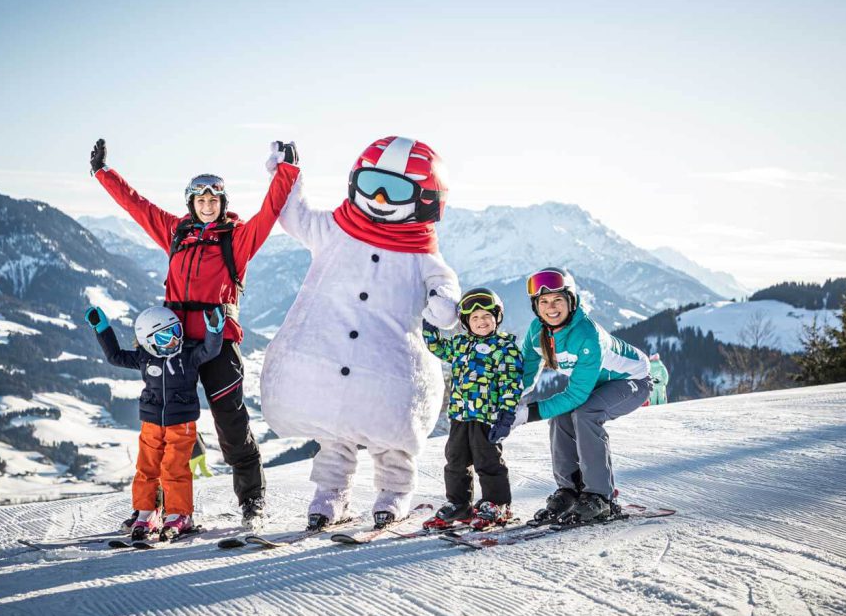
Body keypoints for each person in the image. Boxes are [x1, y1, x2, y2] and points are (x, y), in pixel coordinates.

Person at [90, 138, 299, 530]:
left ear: (221, 204)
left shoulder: (234, 241)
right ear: (191, 203)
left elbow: (268, 214)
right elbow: (137, 206)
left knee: (231, 425)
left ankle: (252, 501)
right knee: (165, 432)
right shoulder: (176, 233)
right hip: (172, 347)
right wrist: (104, 174)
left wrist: (287, 171)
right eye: (200, 200)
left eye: (213, 201)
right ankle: (156, 510)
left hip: (218, 345)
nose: (207, 206)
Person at [259, 138, 461, 529]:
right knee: (334, 436)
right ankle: (330, 495)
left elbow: (445, 290)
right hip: (336, 360)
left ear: (425, 197)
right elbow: (293, 215)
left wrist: (443, 301)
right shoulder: (335, 230)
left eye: (398, 190)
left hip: (391, 369)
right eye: (372, 185)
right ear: (355, 182)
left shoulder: (422, 255)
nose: (382, 198)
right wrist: (286, 175)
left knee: (392, 439)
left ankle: (394, 492)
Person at [511, 267, 653, 523]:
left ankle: (600, 497)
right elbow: (527, 371)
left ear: (571, 301)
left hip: (632, 381)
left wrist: (527, 414)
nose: (551, 307)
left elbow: (577, 395)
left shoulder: (587, 335)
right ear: (536, 306)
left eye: (557, 300)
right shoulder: (537, 331)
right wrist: (508, 403)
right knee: (560, 413)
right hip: (594, 384)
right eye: (543, 301)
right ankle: (570, 490)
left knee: (586, 413)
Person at [85, 304, 224, 541]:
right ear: (149, 341)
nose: (174, 341)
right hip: (151, 421)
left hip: (182, 423)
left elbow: (210, 350)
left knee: (174, 467)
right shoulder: (144, 358)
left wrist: (214, 326)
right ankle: (147, 511)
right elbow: (115, 356)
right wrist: (102, 328)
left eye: (176, 332)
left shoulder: (188, 356)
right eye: (165, 336)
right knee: (146, 467)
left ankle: (180, 514)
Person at [420, 287, 523, 531]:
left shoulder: (504, 348)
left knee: (487, 460)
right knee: (455, 460)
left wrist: (506, 415)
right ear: (466, 322)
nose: (481, 322)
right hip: (459, 415)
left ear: (497, 317)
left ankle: (497, 505)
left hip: (488, 417)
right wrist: (430, 324)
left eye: (486, 316)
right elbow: (437, 348)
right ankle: (459, 504)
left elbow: (512, 383)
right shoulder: (460, 343)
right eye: (475, 318)